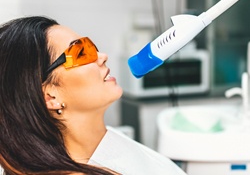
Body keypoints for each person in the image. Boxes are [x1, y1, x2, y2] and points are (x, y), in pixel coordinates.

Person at [0, 16, 187, 175]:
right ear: (50, 97)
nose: (102, 56)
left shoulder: (106, 141)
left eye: (92, 46)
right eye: (81, 52)